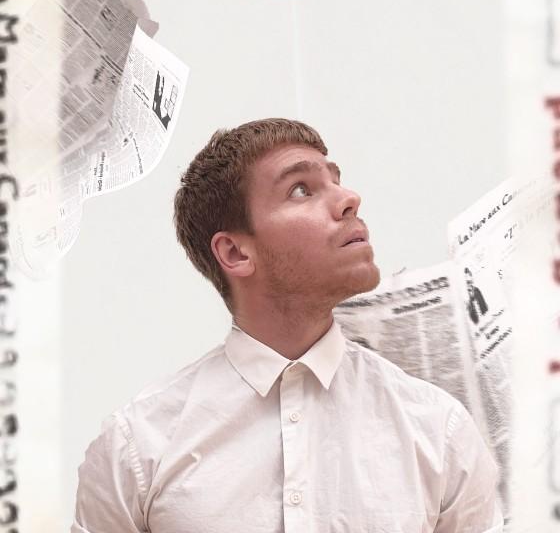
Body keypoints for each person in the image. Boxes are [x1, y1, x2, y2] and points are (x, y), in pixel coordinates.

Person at [73, 118, 503, 532]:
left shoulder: (439, 429)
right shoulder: (136, 446)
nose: (349, 198)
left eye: (336, 179)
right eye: (301, 189)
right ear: (236, 253)